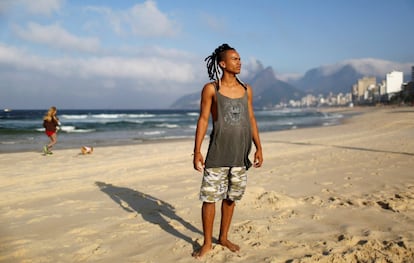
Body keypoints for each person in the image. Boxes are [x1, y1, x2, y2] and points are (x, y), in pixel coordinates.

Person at [192, 43, 263, 258]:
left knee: (231, 198)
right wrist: (196, 151)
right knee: (210, 198)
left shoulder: (246, 89)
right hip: (217, 152)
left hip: (241, 153)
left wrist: (259, 147)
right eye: (234, 59)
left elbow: (250, 118)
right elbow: (203, 119)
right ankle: (207, 243)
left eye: (240, 59)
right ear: (222, 64)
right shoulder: (211, 89)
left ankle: (223, 237)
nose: (239, 62)